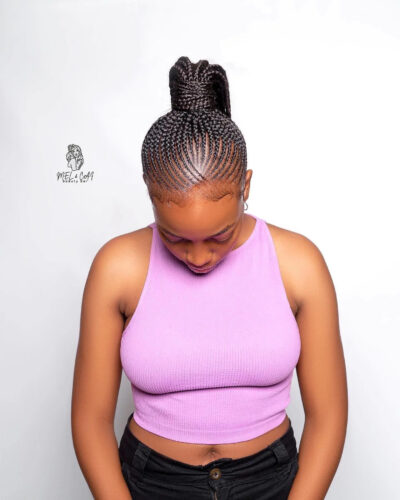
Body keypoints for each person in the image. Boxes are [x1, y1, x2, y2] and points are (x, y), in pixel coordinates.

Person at [71, 56, 348, 500]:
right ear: (150, 193)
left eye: (220, 236)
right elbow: (90, 420)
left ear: (246, 187)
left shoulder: (299, 264)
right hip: (152, 483)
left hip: (270, 482)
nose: (198, 258)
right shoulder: (117, 267)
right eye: (175, 237)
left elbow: (329, 415)